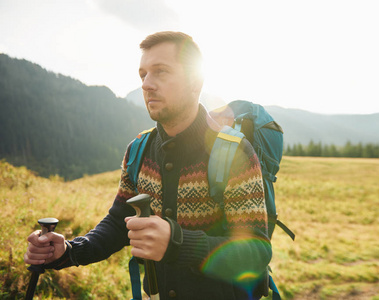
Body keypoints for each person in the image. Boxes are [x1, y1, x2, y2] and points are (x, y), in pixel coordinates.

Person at [24, 31, 272, 300]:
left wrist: (177, 242)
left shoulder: (234, 153)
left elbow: (256, 253)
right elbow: (120, 222)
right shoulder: (138, 150)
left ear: (195, 81)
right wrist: (69, 251)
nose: (146, 84)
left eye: (161, 71)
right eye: (143, 74)